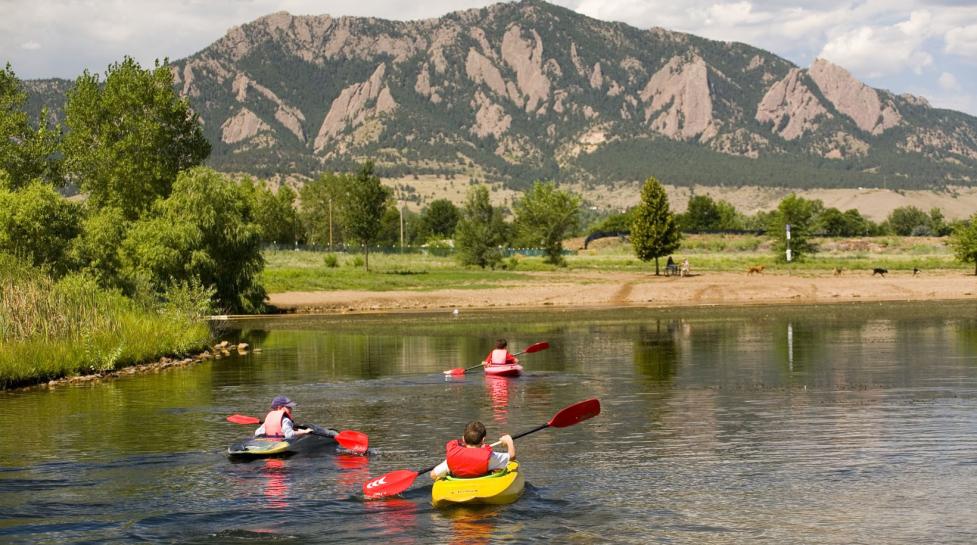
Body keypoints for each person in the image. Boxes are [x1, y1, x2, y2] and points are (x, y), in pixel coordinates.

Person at [430, 421, 515, 480]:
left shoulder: (453, 456)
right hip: (483, 487)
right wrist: (509, 441)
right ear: (483, 440)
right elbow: (511, 456)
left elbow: (433, 475)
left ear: (463, 439)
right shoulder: (490, 457)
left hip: (457, 488)